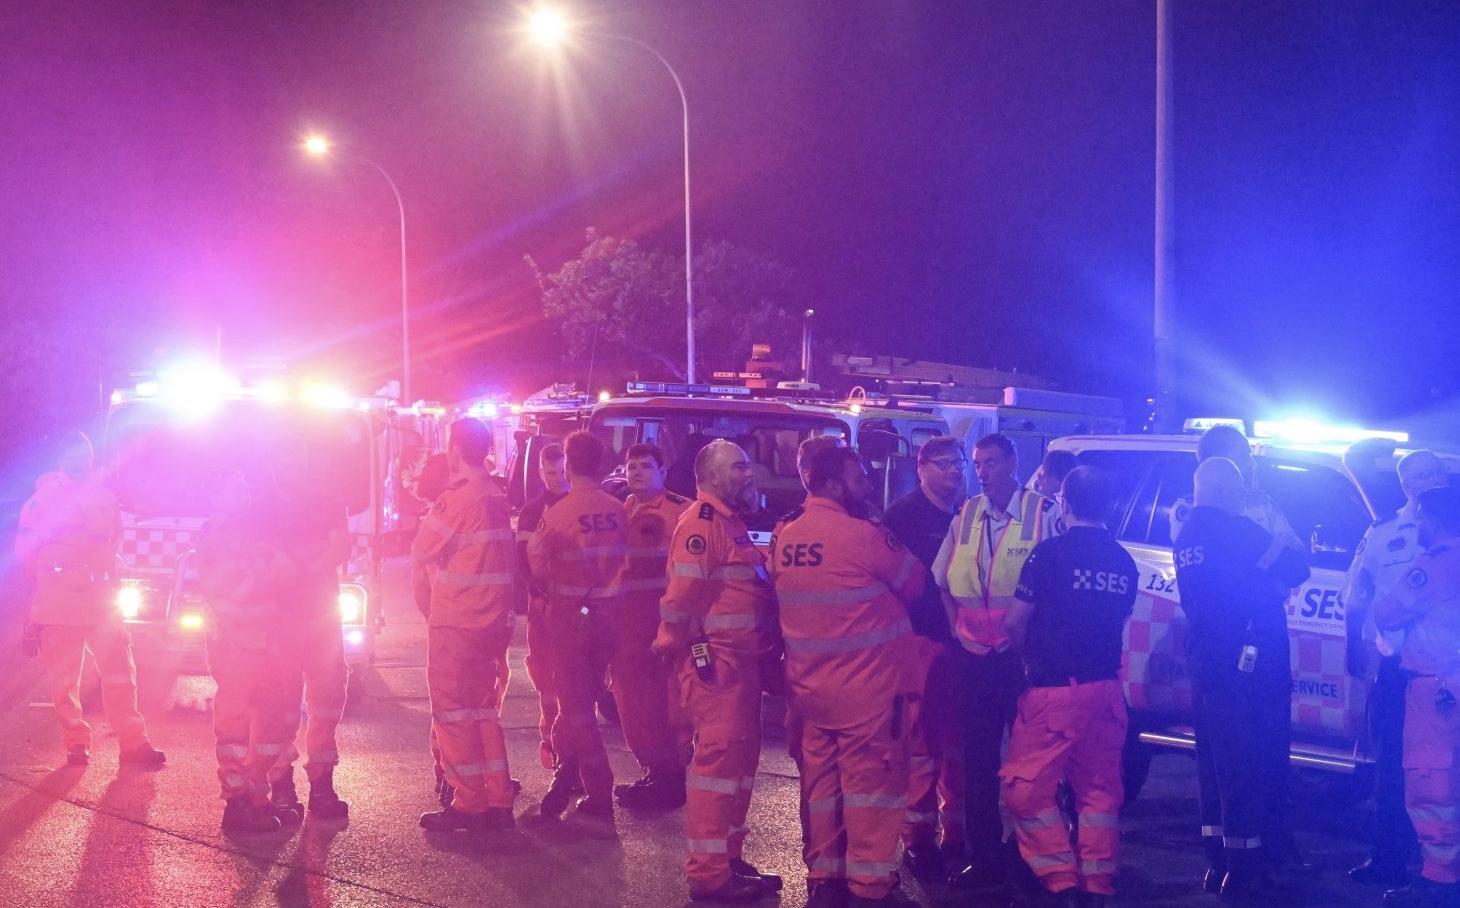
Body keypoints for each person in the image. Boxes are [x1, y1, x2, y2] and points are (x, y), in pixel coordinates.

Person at [772, 444, 925, 908]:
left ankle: (825, 879)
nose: (867, 485)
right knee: (872, 791)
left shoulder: (787, 536)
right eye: (859, 478)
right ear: (835, 485)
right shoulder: (864, 535)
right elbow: (915, 582)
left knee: (823, 789)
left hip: (812, 691)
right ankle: (870, 888)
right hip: (868, 693)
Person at [1172, 457, 1310, 900]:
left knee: (1213, 767)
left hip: (1206, 661)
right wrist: (1270, 579)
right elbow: (1297, 567)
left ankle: (1217, 862)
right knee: (1247, 766)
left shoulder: (1186, 535)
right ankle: (1246, 870)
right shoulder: (1239, 530)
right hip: (1247, 667)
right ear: (1227, 492)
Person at [652, 439, 782, 903]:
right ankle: (710, 877)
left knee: (737, 769)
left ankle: (728, 861)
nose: (749, 473)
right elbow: (681, 597)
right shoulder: (703, 523)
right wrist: (672, 644)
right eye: (739, 467)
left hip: (739, 666)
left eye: (748, 465)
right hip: (716, 664)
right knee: (718, 769)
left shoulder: (729, 523)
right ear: (709, 475)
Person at [1001, 466, 1137, 908]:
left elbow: (1015, 622)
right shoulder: (1124, 561)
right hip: (1105, 693)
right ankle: (1096, 886)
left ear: (1064, 502)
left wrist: (1026, 658)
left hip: (1054, 693)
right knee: (1098, 793)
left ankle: (1060, 880)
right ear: (1109, 506)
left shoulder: (1048, 555)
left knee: (1026, 791)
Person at [936, 432, 1061, 895]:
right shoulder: (966, 515)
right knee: (978, 759)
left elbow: (1059, 589)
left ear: (1012, 463)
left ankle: (1032, 857)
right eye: (977, 464)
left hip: (1022, 660)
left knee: (1030, 764)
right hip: (975, 658)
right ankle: (984, 856)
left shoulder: (1044, 515)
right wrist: (954, 627)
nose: (981, 472)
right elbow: (942, 578)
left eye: (990, 462)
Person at [14, 432, 165, 769]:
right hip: (60, 603)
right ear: (60, 459)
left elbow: (112, 544)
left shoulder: (104, 498)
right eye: (71, 454)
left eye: (83, 453)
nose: (78, 460)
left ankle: (134, 744)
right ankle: (76, 744)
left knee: (121, 675)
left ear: (91, 457)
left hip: (101, 602)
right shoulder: (41, 501)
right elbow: (25, 553)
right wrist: (53, 583)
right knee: (65, 682)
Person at [1344, 450, 1448, 886]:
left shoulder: (1451, 531)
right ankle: (1389, 858)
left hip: (1445, 674)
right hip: (1397, 670)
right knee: (1391, 769)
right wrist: (1353, 646)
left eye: (1439, 473)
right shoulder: (1383, 532)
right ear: (1406, 485)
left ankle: (1438, 867)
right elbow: (1356, 594)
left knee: (1442, 773)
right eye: (1425, 476)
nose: (1434, 480)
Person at [412, 418, 518, 832]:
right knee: (483, 712)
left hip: (458, 621)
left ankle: (469, 802)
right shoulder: (496, 495)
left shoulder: (458, 498)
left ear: (454, 449)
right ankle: (499, 800)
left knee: (453, 714)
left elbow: (423, 549)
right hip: (491, 622)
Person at [528, 431, 627, 819]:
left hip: (571, 620)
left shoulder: (560, 513)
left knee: (576, 708)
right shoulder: (618, 509)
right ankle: (567, 772)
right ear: (601, 464)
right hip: (608, 618)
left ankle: (598, 789)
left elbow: (536, 561)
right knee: (585, 700)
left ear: (568, 465)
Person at [880, 435, 967, 878]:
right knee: (921, 744)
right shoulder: (902, 518)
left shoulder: (966, 515)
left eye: (959, 462)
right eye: (945, 463)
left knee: (957, 743)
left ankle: (958, 833)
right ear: (922, 468)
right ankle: (918, 838)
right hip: (921, 643)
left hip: (962, 646)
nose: (955, 470)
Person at [258, 438, 353, 823]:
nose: (292, 465)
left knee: (327, 702)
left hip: (320, 616)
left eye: (298, 457)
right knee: (280, 704)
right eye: (286, 457)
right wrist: (313, 559)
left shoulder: (327, 501)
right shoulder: (261, 507)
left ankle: (322, 785)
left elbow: (341, 548)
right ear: (274, 462)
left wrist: (297, 569)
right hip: (280, 619)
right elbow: (259, 555)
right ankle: (281, 784)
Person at [1374, 486, 1460, 908]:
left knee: (1433, 784)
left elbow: (1386, 612)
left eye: (1422, 517)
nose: (1418, 524)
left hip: (1437, 691)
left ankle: (1440, 880)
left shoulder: (1436, 564)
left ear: (1437, 520)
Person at [196, 468, 293, 833]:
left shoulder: (259, 533)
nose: (244, 496)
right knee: (235, 722)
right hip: (233, 639)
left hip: (266, 637)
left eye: (245, 489)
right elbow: (228, 585)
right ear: (215, 498)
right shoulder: (213, 539)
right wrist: (260, 575)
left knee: (268, 721)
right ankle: (236, 803)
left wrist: (258, 576)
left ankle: (257, 796)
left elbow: (286, 574)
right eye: (234, 490)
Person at [613, 442, 693, 809]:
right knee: (634, 702)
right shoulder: (623, 509)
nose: (636, 472)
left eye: (645, 466)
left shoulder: (681, 511)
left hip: (663, 621)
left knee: (667, 702)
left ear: (663, 471)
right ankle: (653, 771)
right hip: (628, 624)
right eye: (632, 466)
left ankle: (671, 777)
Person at [1168, 424, 1303, 553]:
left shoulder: (1261, 504)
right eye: (1245, 455)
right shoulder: (1188, 511)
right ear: (1220, 461)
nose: (1253, 463)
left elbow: (1296, 551)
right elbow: (1223, 557)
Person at [518, 442, 570, 773]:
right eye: (551, 473)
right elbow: (521, 559)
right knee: (545, 677)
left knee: (573, 680)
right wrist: (537, 590)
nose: (558, 478)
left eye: (563, 471)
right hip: (541, 606)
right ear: (541, 473)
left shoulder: (578, 506)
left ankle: (570, 752)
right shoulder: (532, 511)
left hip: (574, 607)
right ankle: (552, 746)